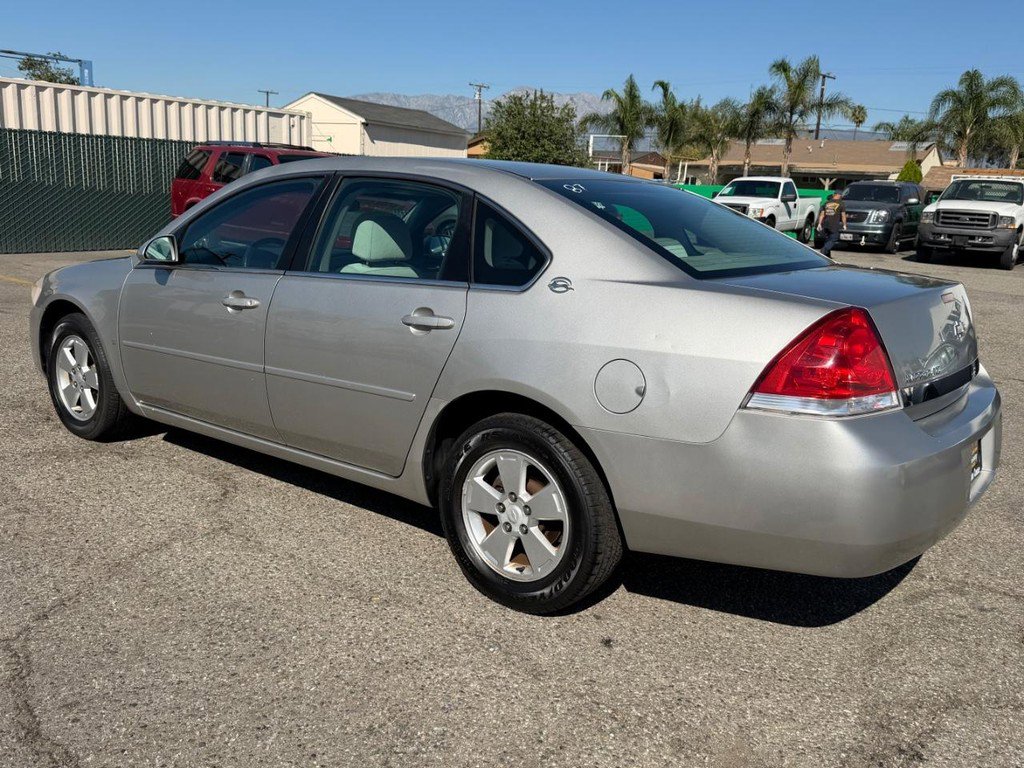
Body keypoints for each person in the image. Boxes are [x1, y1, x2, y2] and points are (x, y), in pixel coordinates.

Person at [817, 191, 847, 257]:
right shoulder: (841, 203)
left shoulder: (826, 203)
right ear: (837, 195)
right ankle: (823, 251)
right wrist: (844, 225)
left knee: (827, 239)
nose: (841, 196)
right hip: (834, 225)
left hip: (825, 224)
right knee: (834, 239)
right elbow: (843, 215)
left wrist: (819, 224)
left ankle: (827, 256)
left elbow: (822, 214)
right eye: (840, 195)